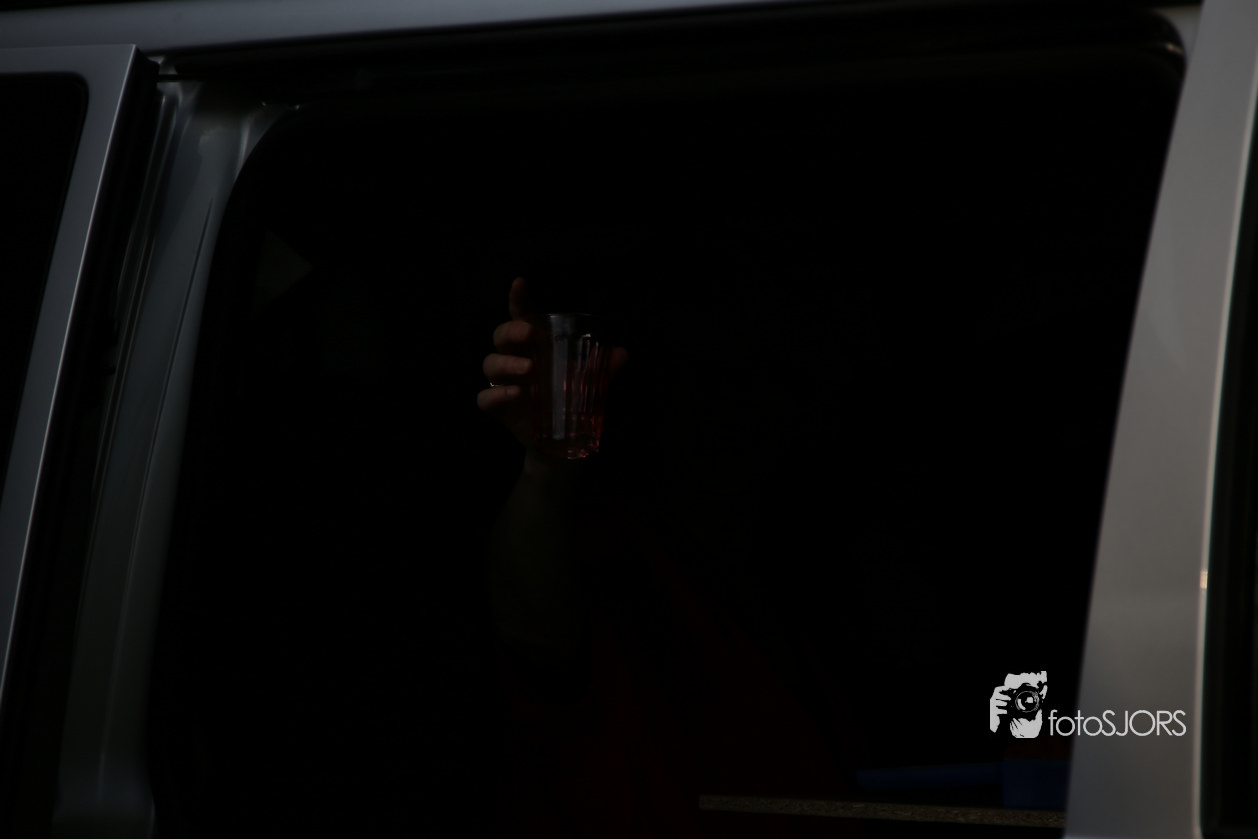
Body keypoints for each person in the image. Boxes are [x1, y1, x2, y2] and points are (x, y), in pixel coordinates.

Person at [477, 277, 866, 838]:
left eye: (755, 377)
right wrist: (547, 471)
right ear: (655, 402)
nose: (730, 408)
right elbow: (529, 629)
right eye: (701, 381)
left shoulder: (796, 583)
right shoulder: (611, 549)